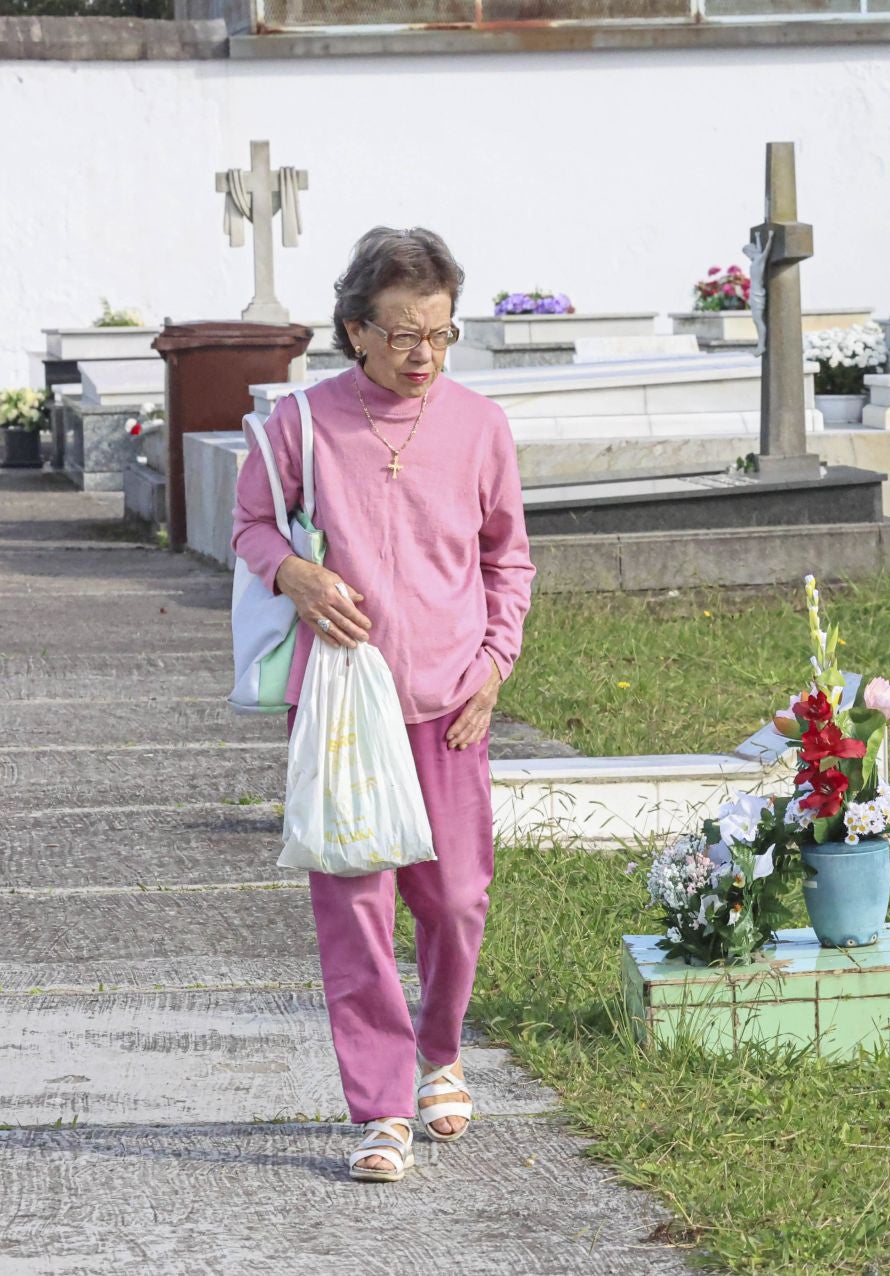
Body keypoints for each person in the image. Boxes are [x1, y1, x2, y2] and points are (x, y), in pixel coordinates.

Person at [231, 227, 535, 1184]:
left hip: (452, 702)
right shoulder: (302, 425)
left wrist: (495, 662)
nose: (423, 356)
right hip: (342, 708)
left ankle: (440, 1051)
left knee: (452, 898)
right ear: (355, 330)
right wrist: (293, 572)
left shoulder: (481, 427)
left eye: (440, 335)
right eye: (403, 335)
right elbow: (247, 523)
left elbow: (506, 559)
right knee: (356, 910)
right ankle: (380, 1107)